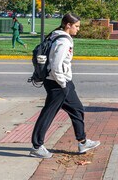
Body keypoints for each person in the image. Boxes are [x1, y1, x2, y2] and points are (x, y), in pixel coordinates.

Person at [30, 13, 101, 158]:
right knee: (48, 114)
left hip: (60, 82)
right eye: (76, 26)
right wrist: (63, 84)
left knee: (77, 109)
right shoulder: (64, 41)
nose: (78, 29)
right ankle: (37, 147)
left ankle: (82, 142)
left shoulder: (55, 36)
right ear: (68, 25)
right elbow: (56, 65)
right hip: (57, 83)